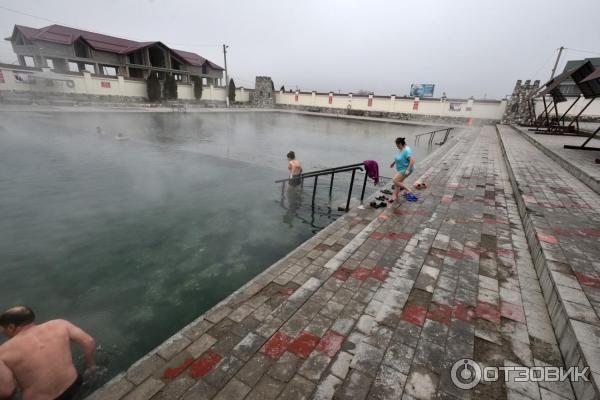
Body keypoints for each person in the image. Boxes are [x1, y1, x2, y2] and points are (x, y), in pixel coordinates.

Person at [0, 306, 96, 400]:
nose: (4, 334)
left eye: (3, 331)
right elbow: (88, 341)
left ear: (11, 327)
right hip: (74, 386)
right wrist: (91, 366)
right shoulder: (60, 324)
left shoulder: (2, 352)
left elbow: (7, 391)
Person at [389, 137, 415, 202]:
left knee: (395, 180)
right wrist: (393, 163)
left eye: (397, 145)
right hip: (401, 169)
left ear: (400, 144)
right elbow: (399, 157)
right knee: (398, 183)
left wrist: (408, 170)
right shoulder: (402, 148)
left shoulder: (406, 150)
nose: (396, 146)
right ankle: (395, 196)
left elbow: (412, 161)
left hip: (406, 169)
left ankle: (408, 189)